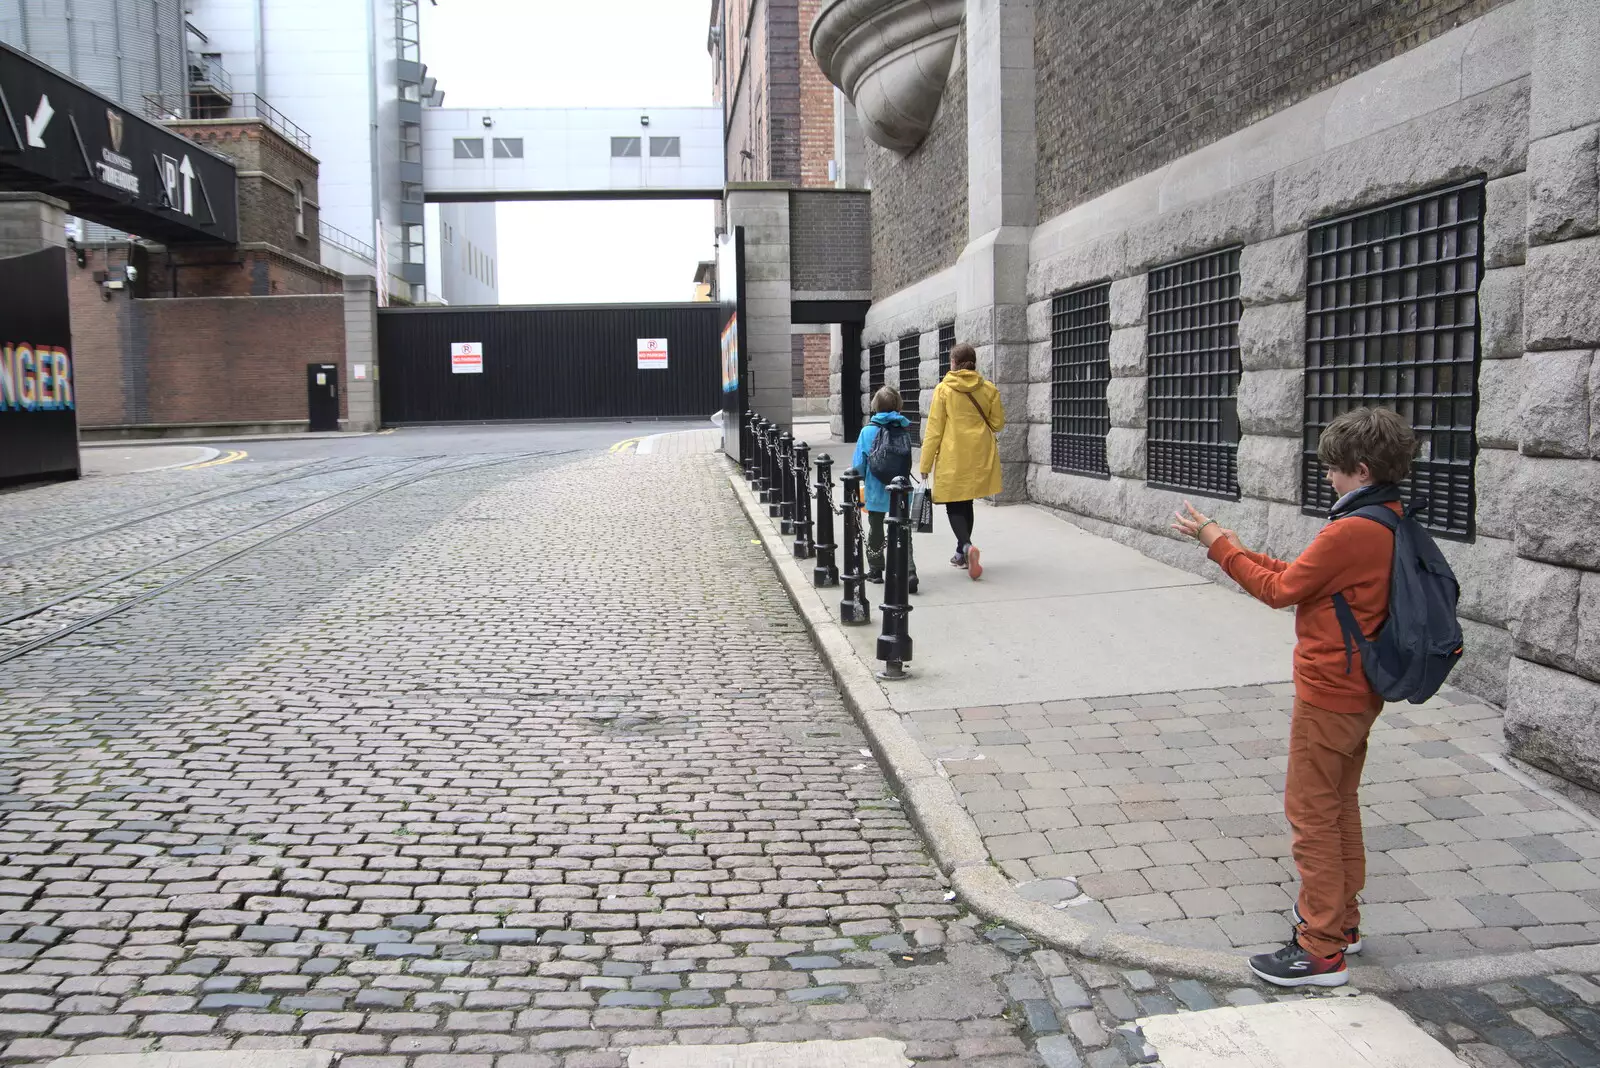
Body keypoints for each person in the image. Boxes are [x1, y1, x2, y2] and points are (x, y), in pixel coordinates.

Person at [1171, 406, 1417, 988]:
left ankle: (1320, 949)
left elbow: (1280, 590)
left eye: (1334, 469)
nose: (1328, 478)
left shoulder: (1354, 528)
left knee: (1311, 815)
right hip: (1358, 689)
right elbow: (1303, 575)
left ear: (1360, 469)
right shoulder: (1387, 515)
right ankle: (1342, 925)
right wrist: (1230, 544)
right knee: (1338, 805)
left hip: (1331, 690)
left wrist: (1216, 544)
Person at [918, 342, 1004, 579]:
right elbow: (997, 424)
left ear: (953, 363)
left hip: (952, 455)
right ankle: (961, 552)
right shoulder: (988, 389)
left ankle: (966, 547)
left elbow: (934, 430)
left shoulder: (944, 390)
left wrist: (925, 465)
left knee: (954, 503)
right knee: (967, 502)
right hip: (978, 454)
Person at [852, 385, 918, 593]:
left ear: (875, 406)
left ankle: (875, 569)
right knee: (902, 529)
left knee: (876, 527)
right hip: (900, 488)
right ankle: (908, 571)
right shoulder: (903, 428)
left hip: (876, 488)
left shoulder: (867, 431)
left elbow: (858, 465)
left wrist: (857, 481)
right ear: (897, 405)